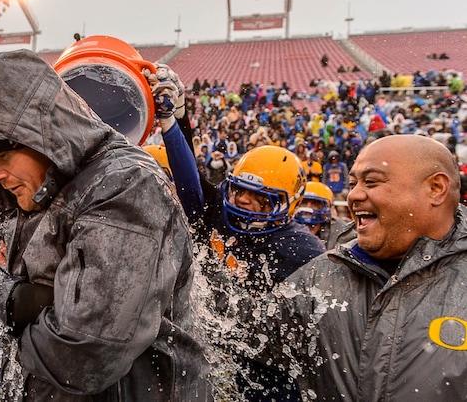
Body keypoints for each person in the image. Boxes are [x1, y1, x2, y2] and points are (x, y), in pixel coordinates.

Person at [0, 50, 211, 400]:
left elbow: (83, 356)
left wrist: (10, 298)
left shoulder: (127, 185)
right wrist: (44, 306)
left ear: (44, 135)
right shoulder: (29, 193)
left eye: (3, 157)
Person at [214, 134, 467, 399]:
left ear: (435, 188)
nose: (354, 195)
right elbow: (243, 335)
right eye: (354, 183)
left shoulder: (306, 251)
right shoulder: (321, 275)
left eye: (371, 182)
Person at [149, 63, 325, 400]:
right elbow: (189, 181)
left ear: (288, 205)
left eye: (261, 198)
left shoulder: (302, 251)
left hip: (266, 367)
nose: (243, 201)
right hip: (208, 344)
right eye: (240, 190)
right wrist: (174, 120)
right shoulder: (217, 209)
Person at [294, 180, 356, 249]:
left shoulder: (342, 232)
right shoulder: (287, 229)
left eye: (315, 204)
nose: (308, 209)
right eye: (303, 203)